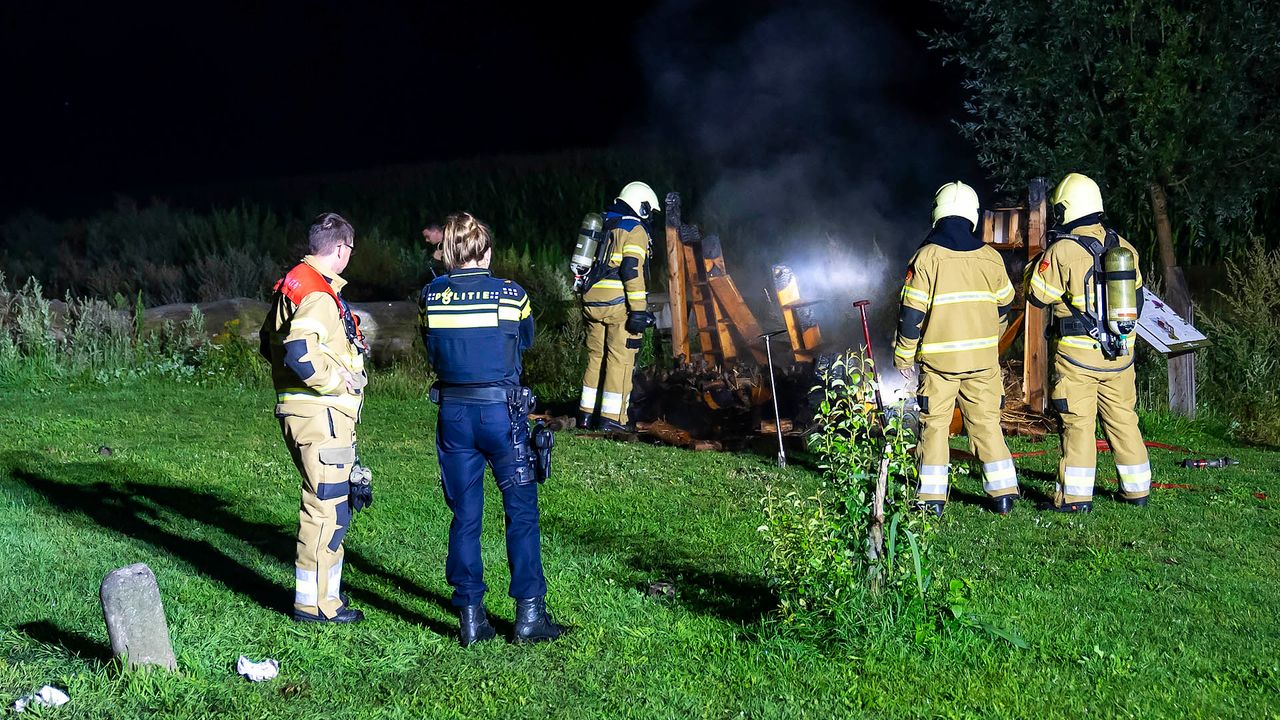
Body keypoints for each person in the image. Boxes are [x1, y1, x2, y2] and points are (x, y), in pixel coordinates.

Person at [418, 212, 565, 646]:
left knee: (464, 517)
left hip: (454, 417)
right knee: (520, 514)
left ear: (450, 252)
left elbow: (431, 347)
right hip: (503, 417)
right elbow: (526, 340)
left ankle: (469, 616)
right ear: (485, 251)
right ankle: (529, 617)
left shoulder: (431, 296)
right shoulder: (511, 295)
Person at [260, 212, 370, 623]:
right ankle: (318, 605)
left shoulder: (292, 283)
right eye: (351, 250)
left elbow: (267, 344)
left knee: (326, 507)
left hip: (299, 411)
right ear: (341, 249)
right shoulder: (319, 295)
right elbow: (299, 351)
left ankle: (321, 599)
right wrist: (337, 385)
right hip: (320, 415)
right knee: (328, 511)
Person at [1026, 172, 1150, 512]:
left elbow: (1038, 295)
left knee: (1078, 425)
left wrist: (1036, 263)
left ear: (1066, 209)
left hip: (1078, 359)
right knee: (1124, 420)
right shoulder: (1124, 247)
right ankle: (1137, 490)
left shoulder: (1063, 250)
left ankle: (1076, 498)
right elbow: (1137, 301)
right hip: (1120, 356)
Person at [894, 182, 1020, 516]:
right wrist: (990, 341)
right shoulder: (990, 257)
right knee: (986, 425)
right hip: (982, 364)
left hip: (940, 365)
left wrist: (903, 354)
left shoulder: (926, 258)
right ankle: (1004, 494)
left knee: (935, 427)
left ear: (937, 212)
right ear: (972, 215)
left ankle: (931, 501)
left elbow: (911, 316)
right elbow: (1005, 306)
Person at [577, 181, 660, 432]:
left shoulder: (603, 223)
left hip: (591, 301)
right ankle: (613, 419)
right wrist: (638, 310)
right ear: (642, 206)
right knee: (620, 359)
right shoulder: (634, 229)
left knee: (595, 358)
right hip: (617, 304)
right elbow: (631, 269)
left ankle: (585, 415)